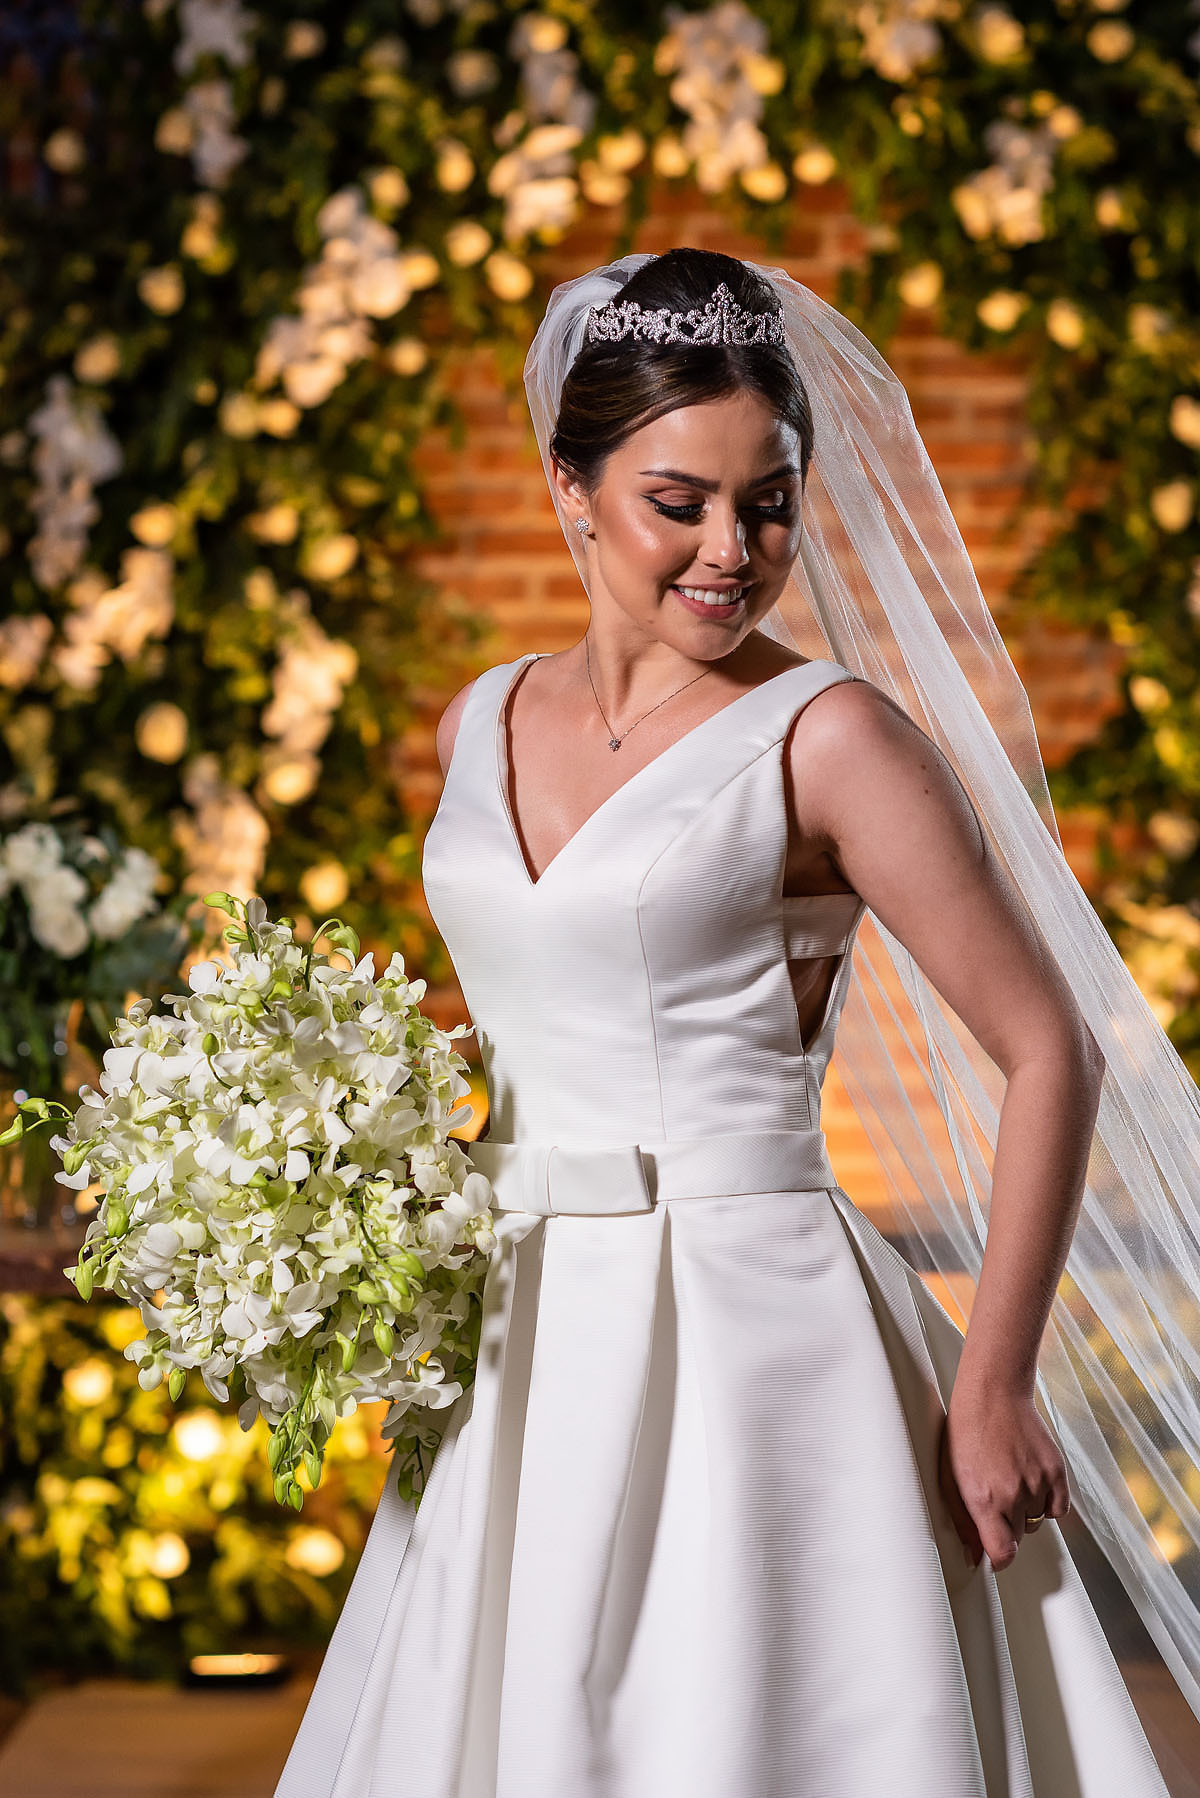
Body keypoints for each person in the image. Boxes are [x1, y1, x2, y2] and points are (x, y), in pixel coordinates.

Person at [274, 249, 1185, 1795]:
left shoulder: (832, 739)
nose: (731, 549)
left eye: (768, 500)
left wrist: (997, 1377)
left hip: (754, 1333)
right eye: (675, 501)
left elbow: (1051, 1046)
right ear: (570, 486)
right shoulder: (478, 717)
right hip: (523, 1336)